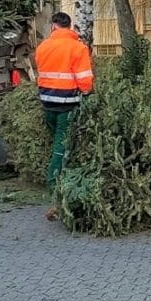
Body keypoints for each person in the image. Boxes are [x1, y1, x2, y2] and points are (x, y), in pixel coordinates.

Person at [35, 12, 94, 220]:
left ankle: (59, 171)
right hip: (67, 103)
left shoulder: (43, 47)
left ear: (53, 26)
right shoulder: (78, 48)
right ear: (70, 27)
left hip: (46, 101)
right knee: (62, 143)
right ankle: (54, 182)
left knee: (56, 139)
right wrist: (87, 92)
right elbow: (84, 78)